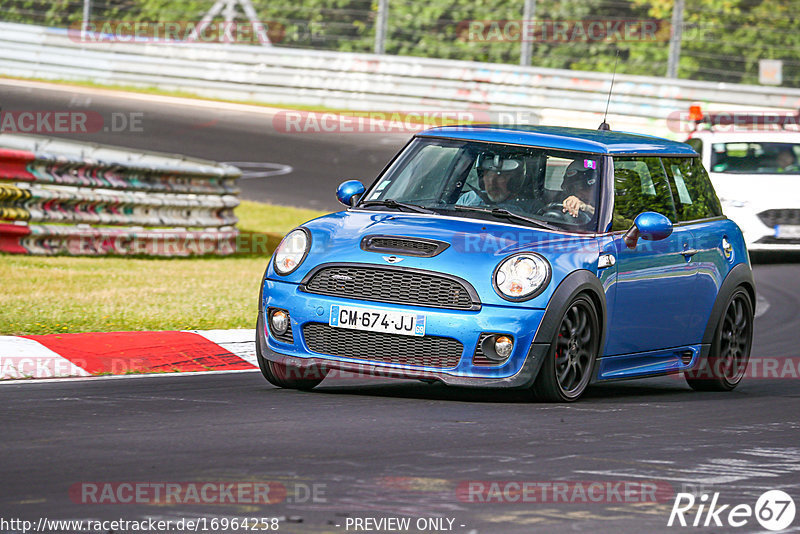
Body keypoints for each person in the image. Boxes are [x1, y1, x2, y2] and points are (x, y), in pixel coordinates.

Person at [457, 155, 528, 208]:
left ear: (515, 181)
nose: (491, 183)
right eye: (488, 176)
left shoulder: (530, 209)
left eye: (500, 177)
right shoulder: (468, 199)